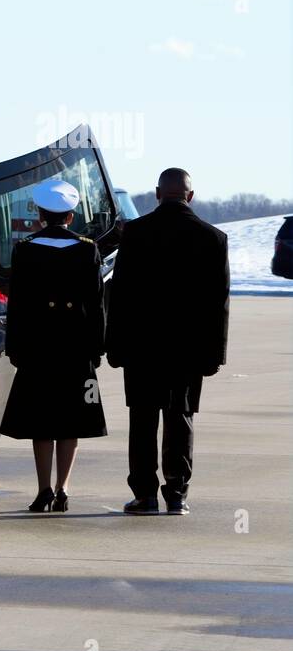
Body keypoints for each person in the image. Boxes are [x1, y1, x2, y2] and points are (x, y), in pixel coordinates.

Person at [107, 168, 229, 516]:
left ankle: (144, 495)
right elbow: (218, 304)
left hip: (143, 349)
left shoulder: (135, 233)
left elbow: (120, 296)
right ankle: (176, 494)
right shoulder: (213, 238)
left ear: (158, 192)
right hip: (188, 352)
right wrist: (215, 354)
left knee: (142, 421)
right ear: (190, 196)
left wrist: (114, 346)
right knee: (181, 419)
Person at [0, 179, 107, 512]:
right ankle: (63, 488)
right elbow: (98, 304)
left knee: (41, 420)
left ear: (40, 215)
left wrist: (15, 347)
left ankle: (44, 488)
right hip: (75, 346)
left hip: (37, 346)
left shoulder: (26, 249)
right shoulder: (88, 248)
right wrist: (98, 347)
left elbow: (16, 306)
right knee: (71, 418)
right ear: (71, 216)